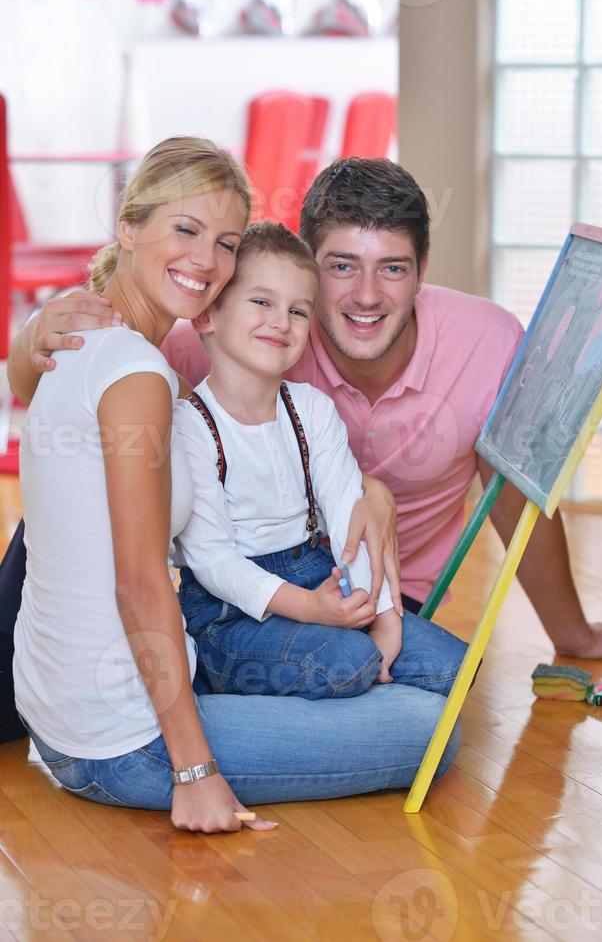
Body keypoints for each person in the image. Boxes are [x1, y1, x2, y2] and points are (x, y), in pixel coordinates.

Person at [7, 159, 602, 659]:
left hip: (384, 592)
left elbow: (515, 495)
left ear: (422, 270)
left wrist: (573, 633)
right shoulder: (253, 336)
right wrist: (33, 335)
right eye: (341, 266)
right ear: (307, 269)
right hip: (246, 590)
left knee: (438, 687)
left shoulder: (489, 341)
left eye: (392, 268)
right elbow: (69, 391)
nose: (366, 296)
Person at [8, 138, 461, 822]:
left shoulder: (88, 340)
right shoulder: (137, 376)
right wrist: (194, 770)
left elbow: (35, 388)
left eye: (225, 243)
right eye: (184, 230)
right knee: (435, 731)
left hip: (64, 709)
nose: (206, 262)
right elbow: (139, 583)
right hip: (121, 742)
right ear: (128, 226)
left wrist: (369, 490)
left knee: (436, 678)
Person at [172, 220, 468, 698]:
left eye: (298, 311)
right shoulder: (189, 426)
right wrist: (312, 610)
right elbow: (211, 561)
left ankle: (350, 702)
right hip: (231, 610)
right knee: (347, 663)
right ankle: (225, 679)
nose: (280, 322)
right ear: (207, 315)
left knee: (453, 666)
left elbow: (351, 517)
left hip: (317, 573)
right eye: (262, 302)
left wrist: (387, 615)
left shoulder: (311, 408)